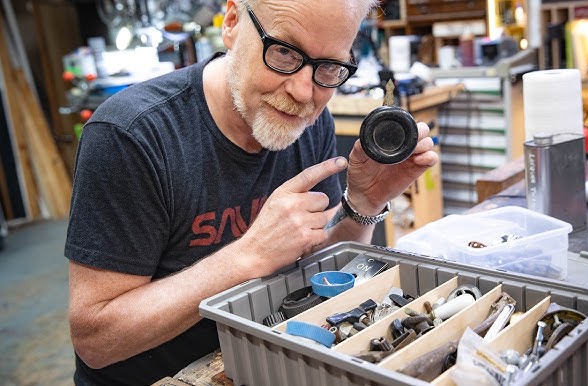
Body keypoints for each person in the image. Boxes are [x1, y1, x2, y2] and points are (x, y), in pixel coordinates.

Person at [65, 0, 438, 384]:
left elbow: (324, 270)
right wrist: (250, 256)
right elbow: (96, 340)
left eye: (328, 66)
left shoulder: (309, 121)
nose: (302, 91)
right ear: (231, 23)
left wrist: (364, 202)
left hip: (266, 361)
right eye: (283, 51)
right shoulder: (132, 136)